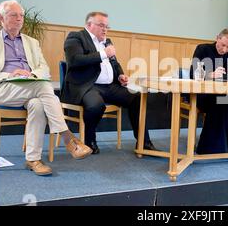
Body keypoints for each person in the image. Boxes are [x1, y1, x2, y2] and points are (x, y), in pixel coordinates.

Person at [0, 0, 92, 176]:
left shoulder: (31, 42)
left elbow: (44, 68)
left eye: (21, 15)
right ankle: (68, 138)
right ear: (1, 18)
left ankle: (33, 159)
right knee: (44, 88)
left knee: (38, 103)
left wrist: (30, 75)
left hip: (30, 88)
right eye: (14, 15)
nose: (19, 19)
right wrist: (11, 75)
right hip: (1, 89)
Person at [61, 11, 157, 154]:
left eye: (107, 26)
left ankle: (144, 143)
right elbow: (75, 60)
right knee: (95, 106)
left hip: (110, 86)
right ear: (89, 25)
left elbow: (114, 63)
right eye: (101, 25)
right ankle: (90, 140)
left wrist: (120, 75)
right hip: (87, 86)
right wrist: (104, 53)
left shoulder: (107, 41)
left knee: (138, 98)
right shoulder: (76, 37)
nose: (105, 29)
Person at [189, 28, 228, 154]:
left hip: (220, 93)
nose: (225, 49)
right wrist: (211, 75)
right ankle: (212, 148)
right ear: (217, 38)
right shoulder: (203, 49)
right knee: (220, 103)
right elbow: (193, 74)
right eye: (223, 45)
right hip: (201, 94)